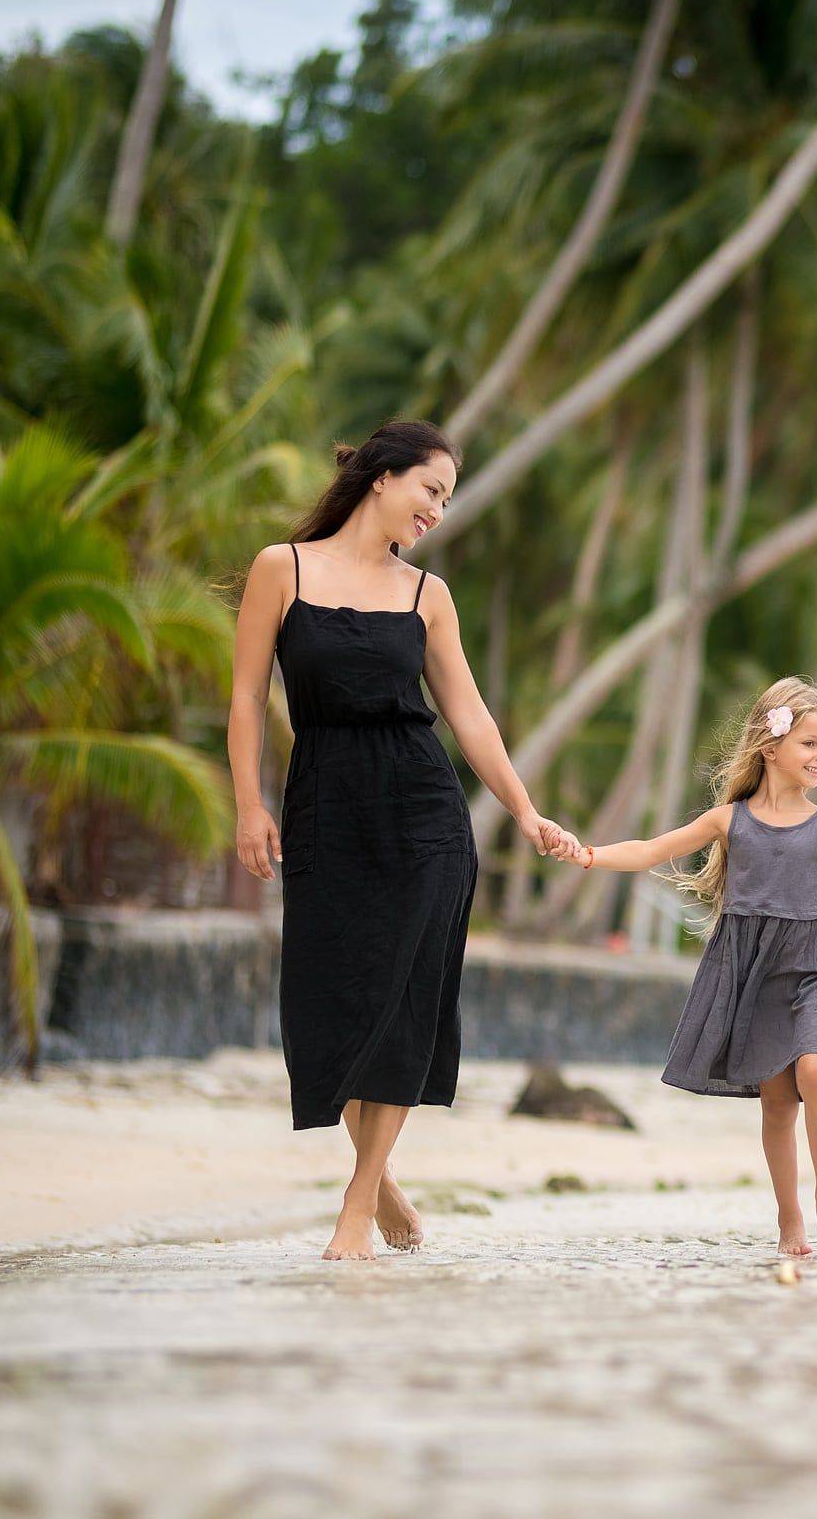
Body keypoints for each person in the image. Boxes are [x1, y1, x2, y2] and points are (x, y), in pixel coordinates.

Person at [228, 419, 574, 1260]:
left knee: (402, 1005)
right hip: (324, 803)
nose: (437, 512)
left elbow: (470, 715)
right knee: (329, 1002)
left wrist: (524, 810)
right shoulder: (282, 568)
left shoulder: (428, 596)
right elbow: (243, 700)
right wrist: (247, 805)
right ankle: (380, 1184)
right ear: (382, 476)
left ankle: (356, 1207)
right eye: (431, 490)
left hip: (423, 814)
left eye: (447, 501)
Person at [555, 676, 817, 1256]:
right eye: (810, 743)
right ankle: (789, 1220)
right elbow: (651, 850)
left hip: (816, 965)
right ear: (770, 745)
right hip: (752, 972)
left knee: (815, 1068)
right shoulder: (728, 820)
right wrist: (589, 854)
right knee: (778, 1103)